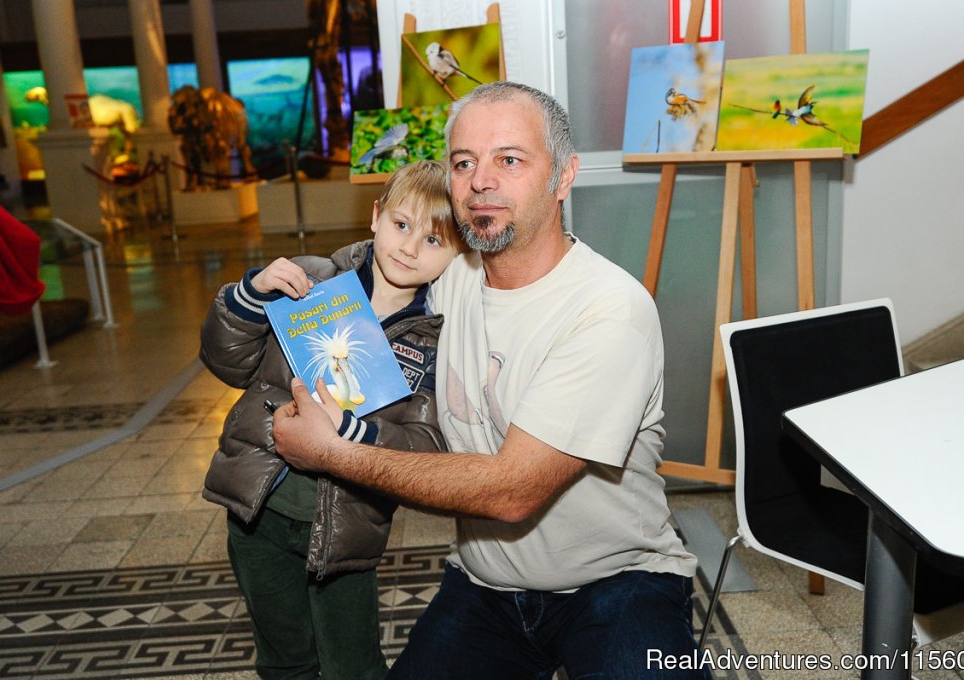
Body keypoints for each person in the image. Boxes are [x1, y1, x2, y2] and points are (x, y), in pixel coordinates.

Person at [272, 82, 707, 679]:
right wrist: (261, 290)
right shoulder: (445, 275)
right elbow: (356, 270)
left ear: (564, 176)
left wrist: (332, 452)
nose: (481, 181)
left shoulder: (609, 310)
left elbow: (512, 491)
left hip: (619, 579)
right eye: (463, 162)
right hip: (485, 582)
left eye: (510, 160)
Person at [199, 160, 463, 680]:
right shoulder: (312, 281)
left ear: (459, 254)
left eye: (434, 241)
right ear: (375, 215)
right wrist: (251, 297)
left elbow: (425, 448)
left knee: (353, 666)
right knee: (284, 658)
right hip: (257, 509)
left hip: (345, 530)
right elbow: (227, 362)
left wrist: (351, 431)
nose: (409, 247)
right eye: (402, 224)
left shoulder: (436, 337)